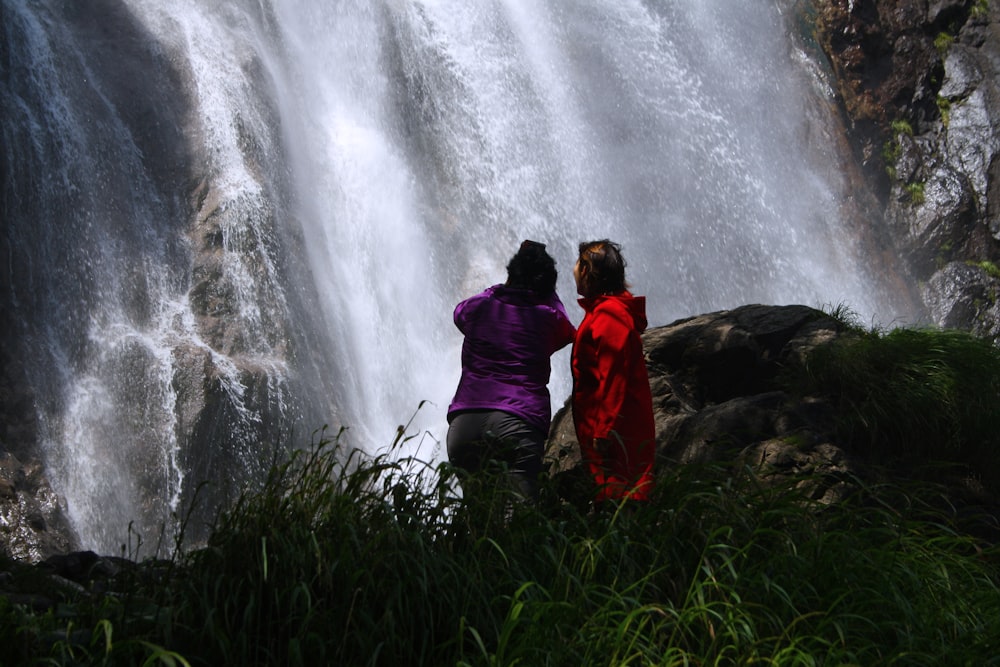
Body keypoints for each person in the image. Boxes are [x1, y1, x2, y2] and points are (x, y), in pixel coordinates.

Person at [447, 240, 576, 503]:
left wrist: (503, 288)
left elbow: (460, 312)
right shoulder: (548, 318)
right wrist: (548, 294)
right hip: (517, 423)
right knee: (518, 521)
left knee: (477, 517)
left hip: (465, 425)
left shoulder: (479, 308)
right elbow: (567, 330)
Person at [571, 239, 656, 503]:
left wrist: (604, 431)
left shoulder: (609, 317)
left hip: (617, 435)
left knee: (619, 500)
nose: (573, 270)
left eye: (577, 263)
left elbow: (613, 375)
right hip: (615, 429)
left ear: (587, 270)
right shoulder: (607, 312)